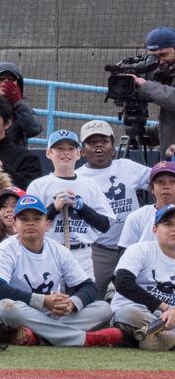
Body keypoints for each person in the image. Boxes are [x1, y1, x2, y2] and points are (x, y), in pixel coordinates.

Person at [0, 194, 120, 347]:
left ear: (47, 225)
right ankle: (82, 339)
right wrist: (42, 301)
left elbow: (88, 287)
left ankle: (39, 336)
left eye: (37, 219)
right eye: (24, 219)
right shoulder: (5, 249)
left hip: (48, 314)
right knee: (5, 308)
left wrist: (71, 303)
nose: (30, 223)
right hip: (20, 311)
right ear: (15, 225)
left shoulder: (57, 250)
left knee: (103, 309)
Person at [74, 119, 151, 291]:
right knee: (91, 297)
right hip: (99, 251)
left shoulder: (128, 167)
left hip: (134, 249)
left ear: (113, 147)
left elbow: (162, 181)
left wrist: (170, 156)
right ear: (82, 151)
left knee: (140, 298)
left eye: (104, 141)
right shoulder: (77, 178)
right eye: (92, 142)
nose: (98, 146)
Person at [23, 129, 112, 262]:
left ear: (78, 154)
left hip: (82, 253)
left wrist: (81, 207)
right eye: (59, 148)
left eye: (71, 148)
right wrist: (54, 207)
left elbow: (104, 225)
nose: (65, 152)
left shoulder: (90, 184)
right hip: (48, 252)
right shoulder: (38, 186)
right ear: (49, 153)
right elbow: (28, 224)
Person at [111, 205, 175, 350]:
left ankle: (160, 339)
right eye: (168, 224)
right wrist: (166, 308)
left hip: (171, 320)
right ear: (155, 230)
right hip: (135, 317)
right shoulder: (140, 250)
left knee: (152, 340)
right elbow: (122, 282)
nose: (173, 229)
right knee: (131, 313)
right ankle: (164, 338)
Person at [126, 27, 175, 160]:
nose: (160, 61)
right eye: (154, 56)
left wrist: (146, 87)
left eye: (164, 55)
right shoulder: (166, 77)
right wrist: (145, 134)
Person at [0, 61, 46, 150]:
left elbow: (34, 130)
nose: (6, 81)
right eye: (0, 78)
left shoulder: (21, 107)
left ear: (18, 84)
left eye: (12, 79)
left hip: (16, 159)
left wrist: (18, 103)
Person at [115, 162, 175, 251]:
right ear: (152, 189)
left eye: (172, 182)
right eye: (160, 182)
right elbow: (124, 257)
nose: (166, 186)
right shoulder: (137, 217)